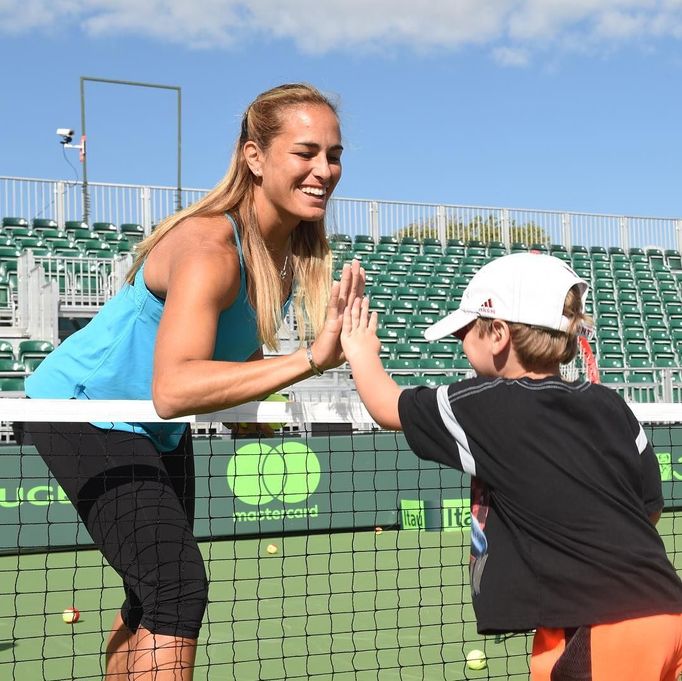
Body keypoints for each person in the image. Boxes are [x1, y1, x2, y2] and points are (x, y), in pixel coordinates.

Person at [24, 82, 364, 681]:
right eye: (305, 152)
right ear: (254, 158)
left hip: (155, 426)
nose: (323, 170)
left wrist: (252, 412)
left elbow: (234, 356)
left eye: (333, 155)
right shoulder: (210, 244)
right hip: (83, 411)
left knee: (150, 593)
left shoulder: (282, 256)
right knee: (176, 588)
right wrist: (311, 358)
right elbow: (175, 387)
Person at [339, 252, 682, 681]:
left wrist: (357, 348)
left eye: (464, 332)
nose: (461, 343)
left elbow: (387, 406)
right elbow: (649, 506)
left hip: (600, 627)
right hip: (663, 612)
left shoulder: (487, 403)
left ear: (497, 333)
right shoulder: (609, 403)